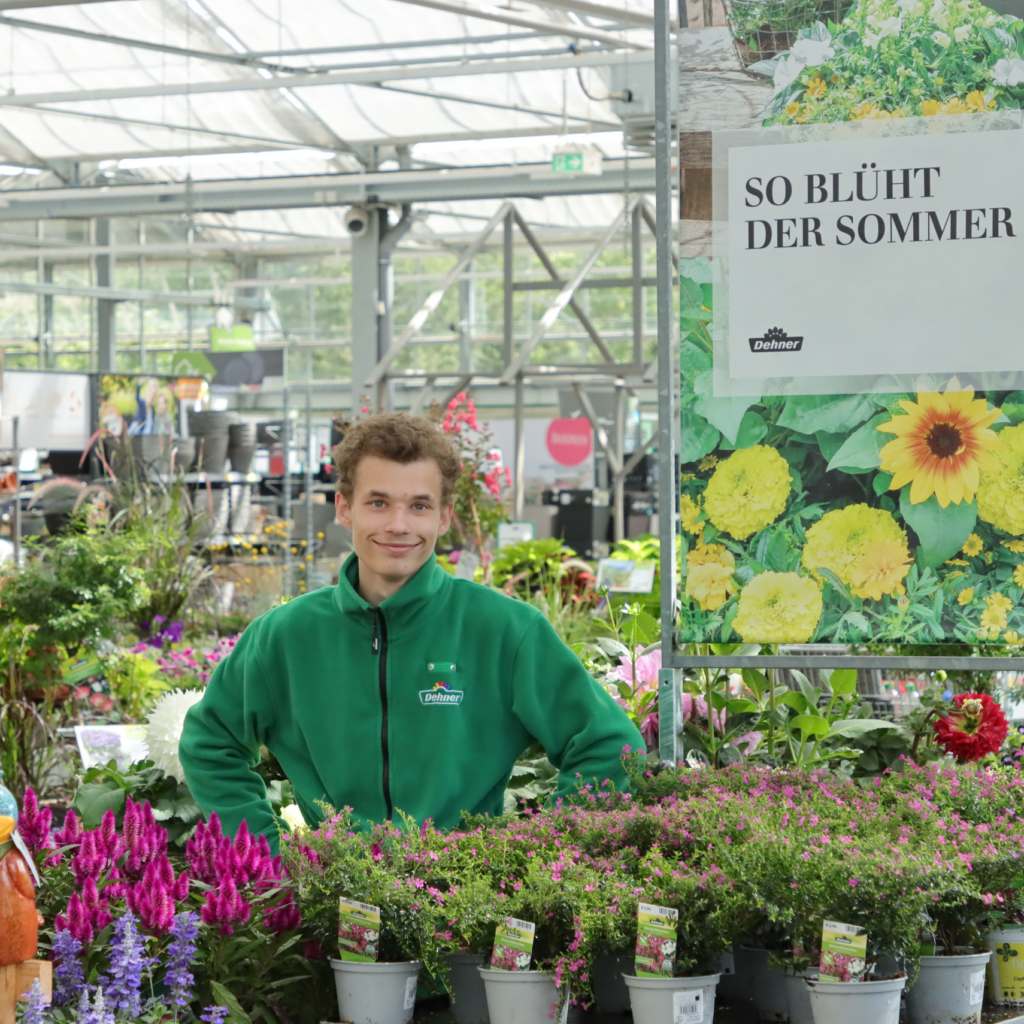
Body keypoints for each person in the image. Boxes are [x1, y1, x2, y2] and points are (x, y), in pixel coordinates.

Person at [179, 412, 643, 853]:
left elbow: (608, 746)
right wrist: (267, 852)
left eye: (419, 506)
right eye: (378, 503)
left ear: (443, 517)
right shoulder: (284, 637)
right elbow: (210, 742)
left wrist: (543, 852)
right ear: (344, 508)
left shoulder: (505, 630)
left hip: (464, 902)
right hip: (329, 899)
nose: (398, 525)